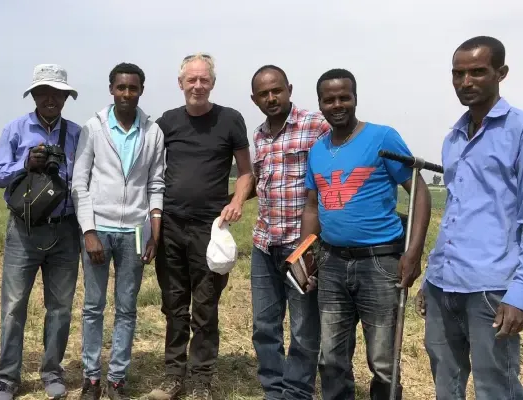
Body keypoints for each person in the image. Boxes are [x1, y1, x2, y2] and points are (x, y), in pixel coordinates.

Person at [299, 68, 431, 400]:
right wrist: (304, 254)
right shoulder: (317, 150)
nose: (337, 104)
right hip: (331, 263)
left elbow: (418, 191)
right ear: (320, 104)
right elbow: (313, 207)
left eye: (344, 97)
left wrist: (413, 254)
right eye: (329, 99)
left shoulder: (382, 137)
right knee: (331, 358)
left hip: (380, 262)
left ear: (355, 98)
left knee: (384, 360)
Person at [415, 36, 523, 399]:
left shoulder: (519, 132)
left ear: (501, 73)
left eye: (478, 72)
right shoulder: (454, 137)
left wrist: (520, 293)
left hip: (491, 287)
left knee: (497, 385)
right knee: (445, 380)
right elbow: (455, 215)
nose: (466, 81)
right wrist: (430, 278)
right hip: (444, 283)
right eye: (458, 73)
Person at [147, 53, 253, 400]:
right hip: (171, 227)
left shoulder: (230, 120)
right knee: (174, 303)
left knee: (205, 306)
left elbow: (246, 173)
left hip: (211, 230)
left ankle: (201, 380)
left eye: (203, 79)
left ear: (212, 83)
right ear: (180, 84)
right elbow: (149, 169)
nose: (197, 86)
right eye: (190, 80)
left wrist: (236, 203)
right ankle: (173, 374)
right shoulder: (166, 123)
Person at [72, 62, 166, 400]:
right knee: (93, 307)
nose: (127, 93)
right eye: (121, 87)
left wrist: (154, 229)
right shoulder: (93, 129)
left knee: (127, 308)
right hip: (99, 230)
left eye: (133, 88)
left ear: (141, 90)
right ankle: (92, 378)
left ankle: (117, 380)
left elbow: (156, 183)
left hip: (135, 234)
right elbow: (79, 184)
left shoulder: (152, 132)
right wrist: (89, 231)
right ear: (111, 89)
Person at [0, 63, 82, 400]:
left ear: (65, 97)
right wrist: (25, 164)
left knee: (60, 307)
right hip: (23, 231)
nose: (50, 98)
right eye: (43, 92)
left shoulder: (76, 134)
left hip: (65, 231)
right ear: (34, 95)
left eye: (57, 93)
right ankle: (7, 378)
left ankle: (52, 371)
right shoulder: (15, 130)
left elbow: (85, 180)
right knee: (13, 306)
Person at [246, 65, 330, 400]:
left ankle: (296, 392)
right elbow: (257, 181)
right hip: (264, 243)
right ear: (255, 99)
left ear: (289, 89)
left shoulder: (315, 125)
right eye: (263, 94)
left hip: (302, 244)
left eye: (276, 90)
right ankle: (273, 389)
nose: (271, 98)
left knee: (303, 328)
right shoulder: (259, 135)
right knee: (264, 325)